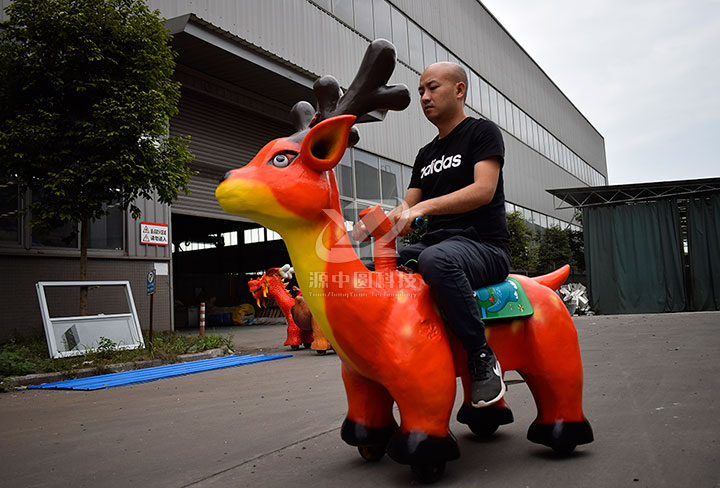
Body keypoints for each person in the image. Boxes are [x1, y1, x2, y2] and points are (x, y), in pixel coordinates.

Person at [353, 62, 510, 407]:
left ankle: (481, 355)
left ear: (459, 90)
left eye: (433, 88)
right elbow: (406, 207)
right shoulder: (425, 155)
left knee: (434, 259)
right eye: (421, 90)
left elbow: (484, 190)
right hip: (436, 246)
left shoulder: (482, 133)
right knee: (366, 269)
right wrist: (372, 224)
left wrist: (424, 209)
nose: (424, 97)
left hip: (482, 246)